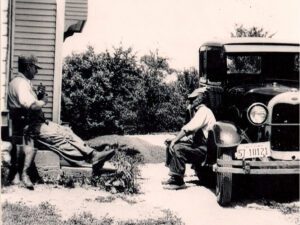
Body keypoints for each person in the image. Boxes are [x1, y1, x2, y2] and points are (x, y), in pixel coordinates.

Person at [8, 55, 115, 189]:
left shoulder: (20, 82)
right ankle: (89, 159)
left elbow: (28, 103)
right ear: (28, 66)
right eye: (35, 68)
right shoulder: (21, 84)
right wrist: (43, 101)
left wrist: (38, 97)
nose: (36, 71)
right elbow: (32, 106)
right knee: (60, 139)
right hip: (29, 127)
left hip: (36, 123)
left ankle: (93, 154)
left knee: (66, 130)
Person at [162, 87, 216, 190]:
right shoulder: (200, 112)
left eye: (193, 99)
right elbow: (192, 135)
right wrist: (174, 139)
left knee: (177, 148)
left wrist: (176, 140)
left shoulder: (203, 111)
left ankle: (178, 182)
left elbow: (188, 128)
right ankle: (174, 176)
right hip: (199, 146)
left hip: (205, 149)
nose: (191, 101)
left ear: (200, 99)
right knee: (171, 144)